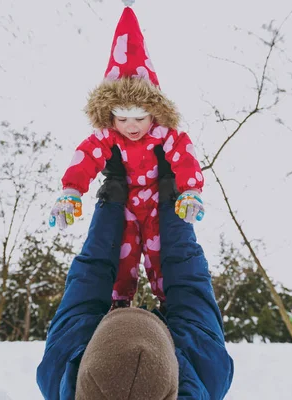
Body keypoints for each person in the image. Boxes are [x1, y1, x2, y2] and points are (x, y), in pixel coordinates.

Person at [36, 146, 234, 399]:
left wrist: (112, 197)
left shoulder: (59, 372)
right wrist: (171, 198)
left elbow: (88, 281)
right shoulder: (205, 371)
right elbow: (188, 283)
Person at [49, 6, 205, 311]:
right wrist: (70, 193)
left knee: (162, 253)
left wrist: (190, 191)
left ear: (153, 113)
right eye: (122, 118)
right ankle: (118, 302)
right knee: (122, 250)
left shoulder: (164, 134)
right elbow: (86, 158)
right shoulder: (108, 136)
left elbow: (184, 156)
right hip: (128, 203)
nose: (131, 127)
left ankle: (167, 302)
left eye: (139, 117)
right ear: (110, 116)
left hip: (159, 202)